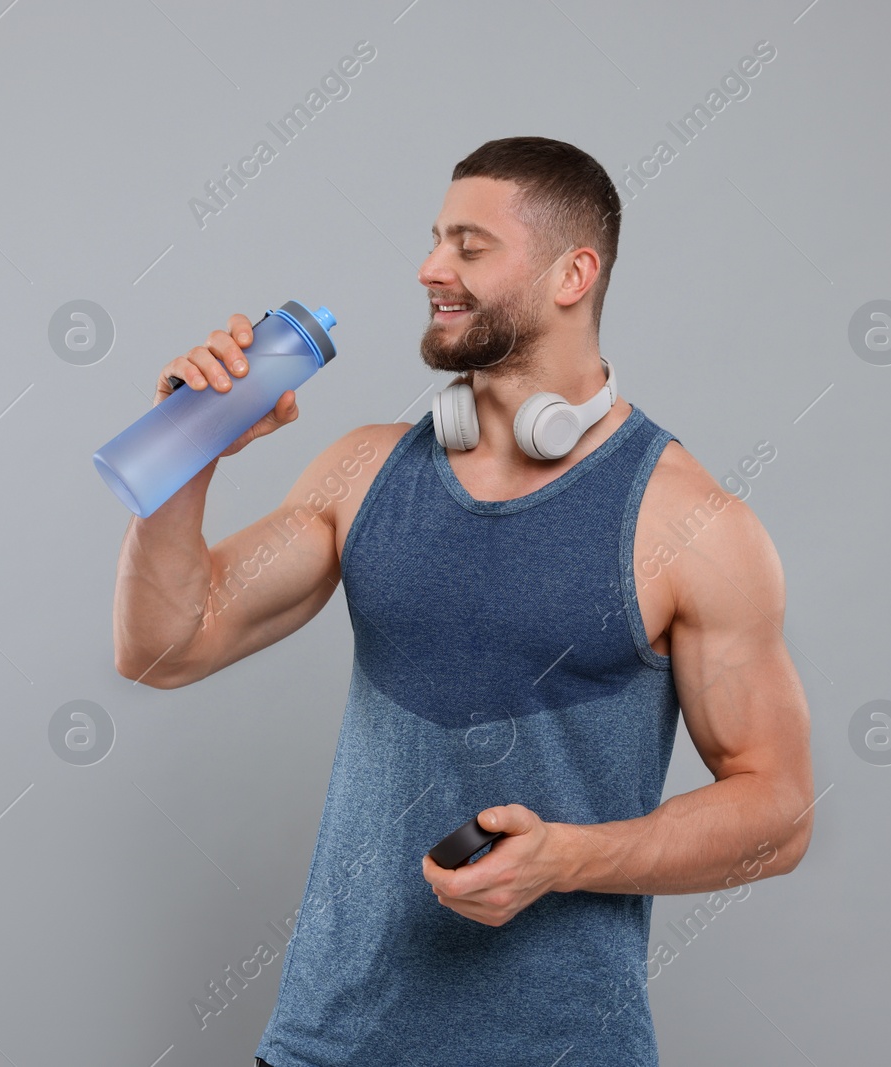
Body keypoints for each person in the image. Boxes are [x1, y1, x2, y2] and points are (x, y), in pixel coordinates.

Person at [110, 136, 814, 1067]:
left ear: (574, 273)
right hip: (329, 1044)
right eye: (437, 239)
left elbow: (780, 811)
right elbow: (162, 648)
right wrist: (184, 452)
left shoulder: (694, 526)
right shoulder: (363, 471)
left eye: (470, 246)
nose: (430, 268)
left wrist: (570, 858)